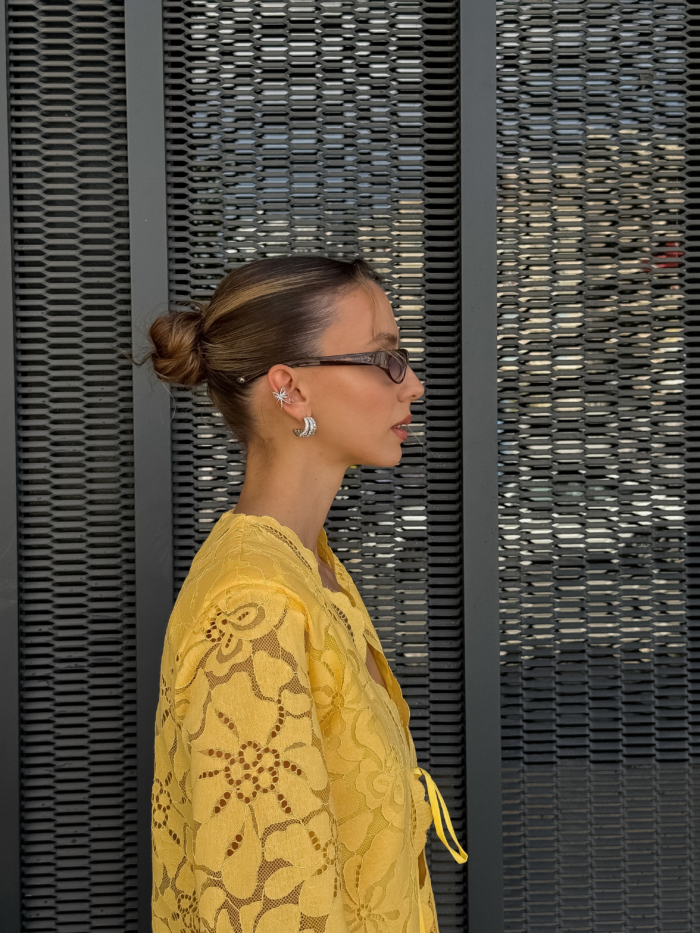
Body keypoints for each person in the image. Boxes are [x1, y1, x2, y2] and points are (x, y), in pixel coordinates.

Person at [141, 256, 466, 933]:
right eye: (384, 358)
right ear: (290, 390)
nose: (413, 385)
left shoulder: (307, 565)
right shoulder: (254, 609)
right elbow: (266, 907)